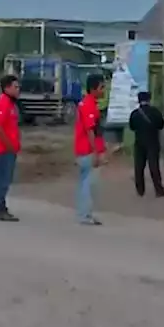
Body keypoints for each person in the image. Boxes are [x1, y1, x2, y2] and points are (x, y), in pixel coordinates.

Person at [74, 73, 107, 225]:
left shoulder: (89, 104)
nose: (104, 90)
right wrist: (96, 152)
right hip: (87, 150)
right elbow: (90, 130)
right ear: (93, 89)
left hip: (84, 149)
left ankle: (84, 213)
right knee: (88, 183)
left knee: (84, 182)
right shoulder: (88, 106)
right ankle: (85, 214)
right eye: (102, 87)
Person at [0, 74, 22, 221]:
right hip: (3, 149)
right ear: (7, 88)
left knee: (6, 179)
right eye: (15, 87)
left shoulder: (11, 104)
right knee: (3, 179)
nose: (18, 89)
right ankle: (0, 208)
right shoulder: (3, 103)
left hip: (10, 149)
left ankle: (2, 206)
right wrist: (9, 146)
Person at [128, 91, 164, 198]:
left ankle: (140, 190)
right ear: (149, 99)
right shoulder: (155, 112)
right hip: (153, 142)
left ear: (138, 100)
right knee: (154, 166)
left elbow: (132, 127)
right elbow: (161, 125)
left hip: (139, 142)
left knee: (139, 167)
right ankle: (158, 189)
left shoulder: (135, 113)